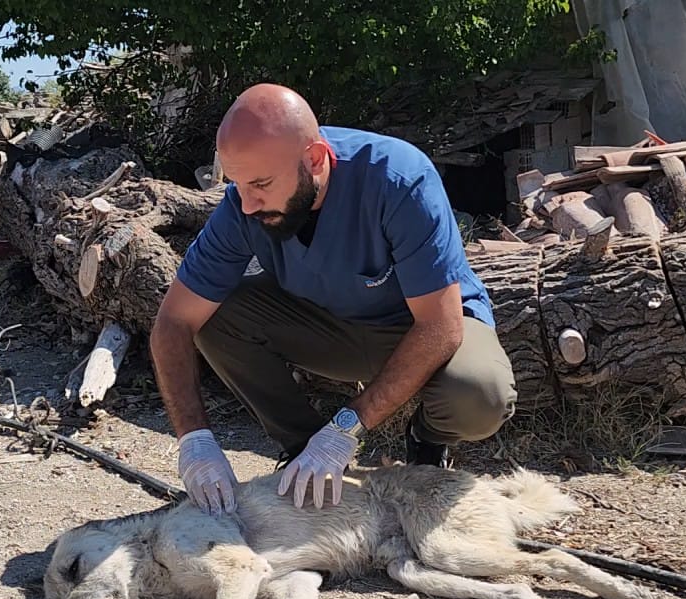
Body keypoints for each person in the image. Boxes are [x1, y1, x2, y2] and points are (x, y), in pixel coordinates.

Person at [149, 83, 516, 515]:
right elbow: (173, 320)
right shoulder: (242, 206)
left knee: (481, 395)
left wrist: (345, 427)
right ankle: (302, 449)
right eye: (239, 185)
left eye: (262, 184)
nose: (248, 205)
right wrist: (194, 439)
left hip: (420, 328)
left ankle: (428, 439)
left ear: (316, 160)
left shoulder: (399, 179)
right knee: (213, 317)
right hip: (330, 327)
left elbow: (441, 325)